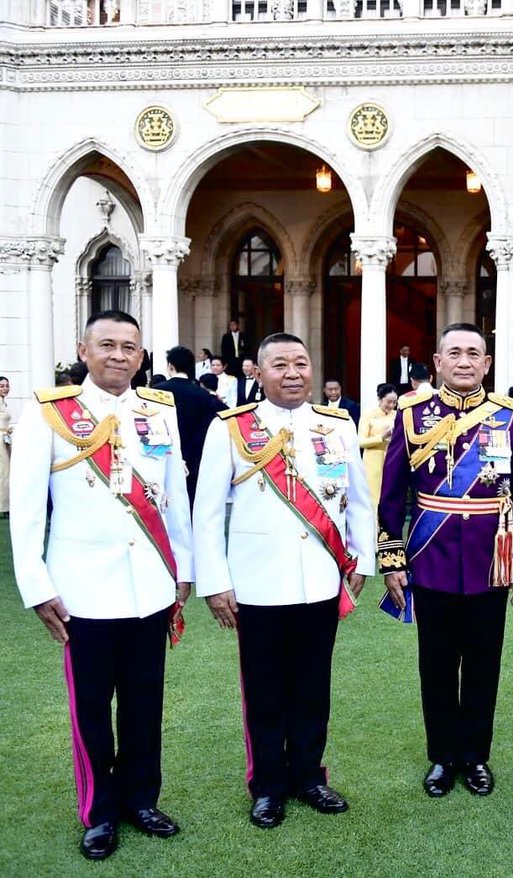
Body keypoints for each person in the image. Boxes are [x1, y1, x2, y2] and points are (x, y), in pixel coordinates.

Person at [10, 310, 193, 861]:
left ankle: (140, 799)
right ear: (82, 350)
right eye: (107, 345)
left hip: (150, 587)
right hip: (82, 589)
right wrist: (37, 586)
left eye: (130, 347)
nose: (119, 355)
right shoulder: (48, 414)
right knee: (90, 706)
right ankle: (98, 812)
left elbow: (173, 497)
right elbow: (25, 510)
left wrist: (182, 570)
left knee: (144, 704)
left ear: (143, 357)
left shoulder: (159, 412)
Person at [193, 333, 374, 830]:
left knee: (314, 687)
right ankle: (269, 785)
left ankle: (311, 776)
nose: (292, 373)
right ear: (258, 372)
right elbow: (207, 512)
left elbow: (358, 500)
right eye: (280, 365)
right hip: (257, 583)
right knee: (266, 690)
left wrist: (361, 560)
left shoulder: (336, 425)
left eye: (301, 363)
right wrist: (215, 581)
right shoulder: (231, 428)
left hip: (320, 578)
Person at [378, 323, 513, 797]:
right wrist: (391, 556)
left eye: (474, 353)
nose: (465, 361)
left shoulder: (509, 417)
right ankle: (442, 757)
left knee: (485, 664)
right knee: (437, 664)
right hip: (432, 557)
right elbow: (392, 494)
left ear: (487, 363)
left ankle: (475, 757)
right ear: (438, 360)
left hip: (492, 558)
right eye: (455, 352)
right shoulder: (411, 414)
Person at [155, 346, 225, 507]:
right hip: (195, 462)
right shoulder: (204, 396)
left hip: (163, 460)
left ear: (170, 366)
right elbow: (207, 430)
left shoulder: (156, 393)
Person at [359, 382, 399, 508]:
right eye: (388, 401)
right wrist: (382, 437)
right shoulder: (368, 414)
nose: (391, 405)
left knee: (390, 499)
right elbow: (360, 442)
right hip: (373, 461)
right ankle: (373, 527)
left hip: (392, 460)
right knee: (373, 499)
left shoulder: (397, 415)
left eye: (394, 402)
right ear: (380, 399)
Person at [0, 375, 11, 517]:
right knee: (3, 473)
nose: (5, 388)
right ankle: (3, 507)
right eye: (2, 386)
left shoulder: (4, 403)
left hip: (5, 439)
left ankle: (5, 505)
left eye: (7, 385)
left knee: (5, 472)